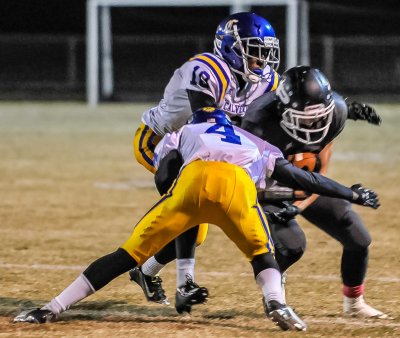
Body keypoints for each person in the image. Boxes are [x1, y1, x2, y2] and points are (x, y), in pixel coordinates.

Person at [13, 107, 380, 331]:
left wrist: (175, 203)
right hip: (236, 189)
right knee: (262, 255)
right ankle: (276, 303)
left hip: (193, 185)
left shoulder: (182, 131)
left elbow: (165, 174)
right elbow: (302, 178)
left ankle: (51, 308)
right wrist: (350, 193)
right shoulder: (253, 141)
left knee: (127, 254)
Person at [130, 11, 280, 311]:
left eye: (265, 53)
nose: (260, 61)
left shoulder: (265, 81)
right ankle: (183, 284)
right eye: (254, 52)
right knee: (193, 215)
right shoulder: (206, 68)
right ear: (230, 48)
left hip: (205, 144)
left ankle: (145, 272)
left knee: (196, 228)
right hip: (161, 141)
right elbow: (206, 125)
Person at [240, 65, 387, 319]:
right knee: (292, 245)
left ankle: (354, 304)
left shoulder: (336, 113)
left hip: (305, 181)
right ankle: (274, 291)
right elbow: (250, 183)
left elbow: (318, 170)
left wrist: (300, 205)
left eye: (319, 116)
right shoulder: (257, 122)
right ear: (283, 109)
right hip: (267, 183)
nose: (314, 123)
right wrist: (277, 201)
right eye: (305, 116)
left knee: (357, 237)